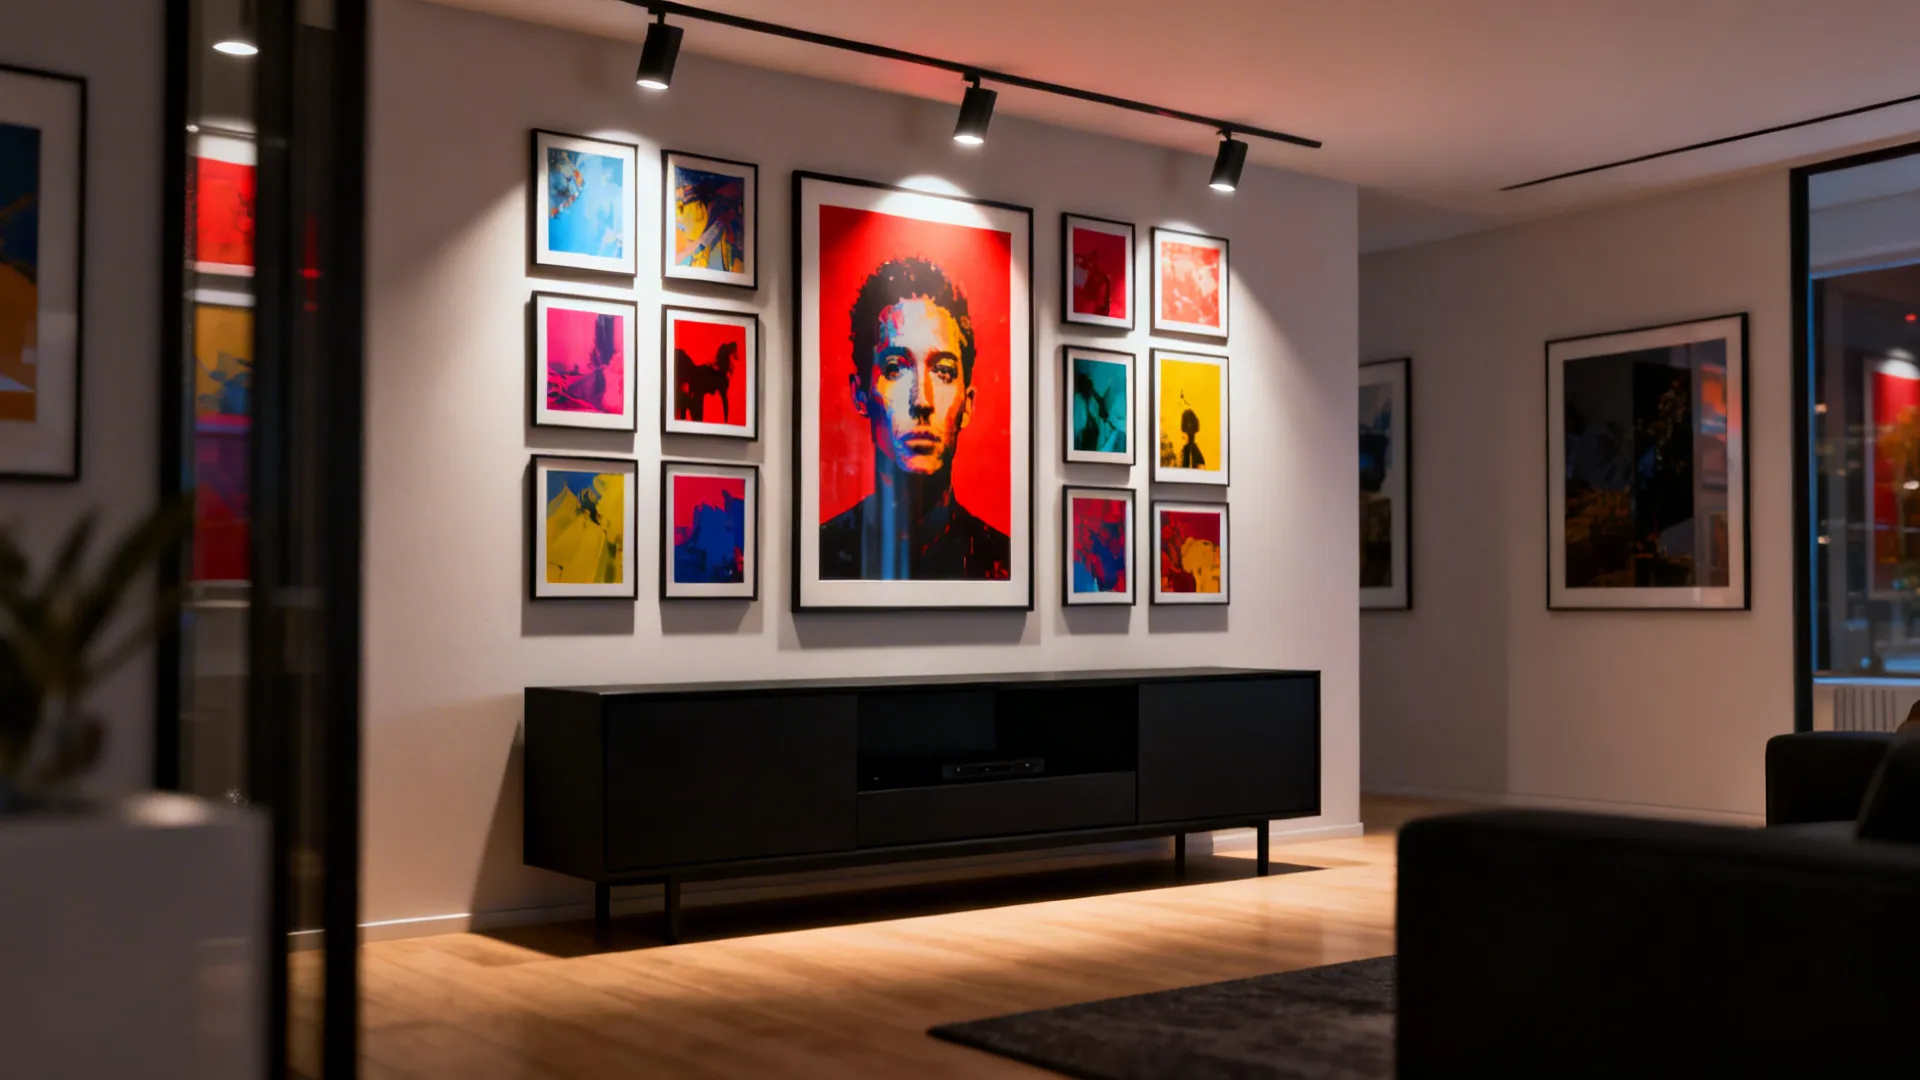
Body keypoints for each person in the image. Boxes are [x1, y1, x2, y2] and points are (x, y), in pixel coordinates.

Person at [820, 256, 1010, 580]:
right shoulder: (822, 554)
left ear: (968, 403)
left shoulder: (1003, 563)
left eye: (943, 372)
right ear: (860, 394)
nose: (921, 400)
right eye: (895, 368)